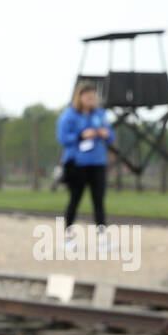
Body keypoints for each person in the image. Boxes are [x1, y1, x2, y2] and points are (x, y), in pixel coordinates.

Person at [56, 83, 113, 245]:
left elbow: (111, 136)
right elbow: (62, 138)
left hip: (98, 162)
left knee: (99, 200)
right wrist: (81, 136)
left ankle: (102, 237)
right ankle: (68, 236)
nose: (91, 101)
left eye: (93, 97)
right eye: (88, 97)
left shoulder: (100, 115)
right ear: (79, 97)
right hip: (77, 163)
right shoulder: (69, 116)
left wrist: (105, 134)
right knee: (75, 199)